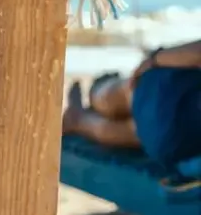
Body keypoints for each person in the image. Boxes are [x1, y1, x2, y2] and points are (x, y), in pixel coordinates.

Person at [62, 38, 201, 167]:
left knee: (128, 90)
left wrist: (154, 59)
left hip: (168, 97)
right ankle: (79, 121)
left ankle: (96, 92)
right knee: (138, 132)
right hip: (172, 144)